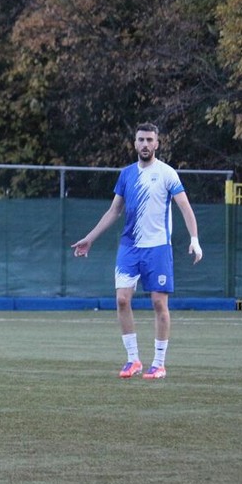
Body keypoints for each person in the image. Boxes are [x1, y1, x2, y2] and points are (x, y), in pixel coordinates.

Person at [71, 122, 202, 380]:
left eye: (149, 140)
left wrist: (194, 239)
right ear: (134, 143)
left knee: (158, 303)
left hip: (158, 248)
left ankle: (159, 364)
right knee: (122, 299)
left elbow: (185, 207)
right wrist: (90, 238)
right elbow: (114, 211)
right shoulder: (127, 174)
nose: (145, 144)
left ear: (157, 144)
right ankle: (133, 360)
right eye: (141, 139)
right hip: (129, 247)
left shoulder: (167, 173)